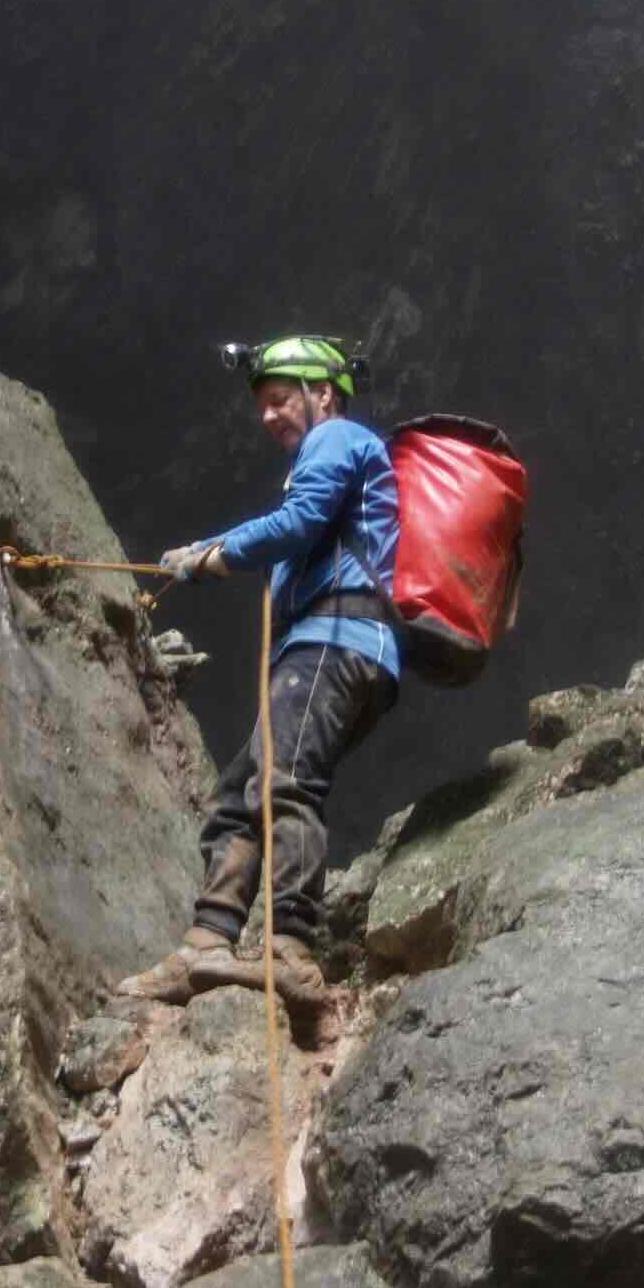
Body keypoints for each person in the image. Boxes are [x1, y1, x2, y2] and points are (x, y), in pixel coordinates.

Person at [116, 335, 400, 1009]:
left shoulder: (337, 439)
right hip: (328, 651)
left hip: (335, 640)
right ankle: (207, 945)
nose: (268, 416)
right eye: (263, 406)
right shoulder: (327, 455)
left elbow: (298, 523)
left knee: (285, 780)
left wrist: (212, 554)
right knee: (240, 795)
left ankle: (290, 950)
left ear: (322, 395)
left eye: (280, 400)